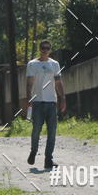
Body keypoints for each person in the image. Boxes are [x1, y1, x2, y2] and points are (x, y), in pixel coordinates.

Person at [26, 39, 66, 169]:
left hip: (51, 102)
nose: (45, 50)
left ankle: (48, 159)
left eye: (47, 48)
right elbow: (29, 83)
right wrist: (29, 98)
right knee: (36, 130)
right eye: (43, 47)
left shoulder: (54, 64)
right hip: (37, 102)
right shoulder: (32, 64)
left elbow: (58, 82)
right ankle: (33, 151)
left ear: (50, 50)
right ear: (40, 49)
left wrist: (63, 98)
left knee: (52, 132)